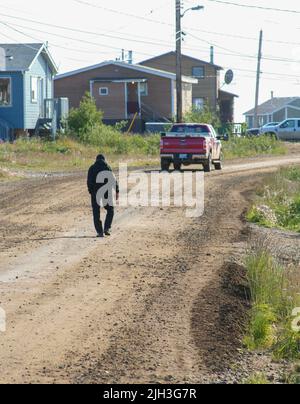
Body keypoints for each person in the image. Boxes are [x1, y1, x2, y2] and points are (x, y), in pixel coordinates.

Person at [87, 154, 119, 238]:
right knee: (110, 210)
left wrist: (91, 191)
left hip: (95, 192)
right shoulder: (107, 167)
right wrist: (117, 191)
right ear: (104, 160)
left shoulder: (92, 168)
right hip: (106, 192)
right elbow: (113, 180)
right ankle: (107, 228)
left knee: (96, 212)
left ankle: (99, 232)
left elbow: (89, 181)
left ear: (96, 160)